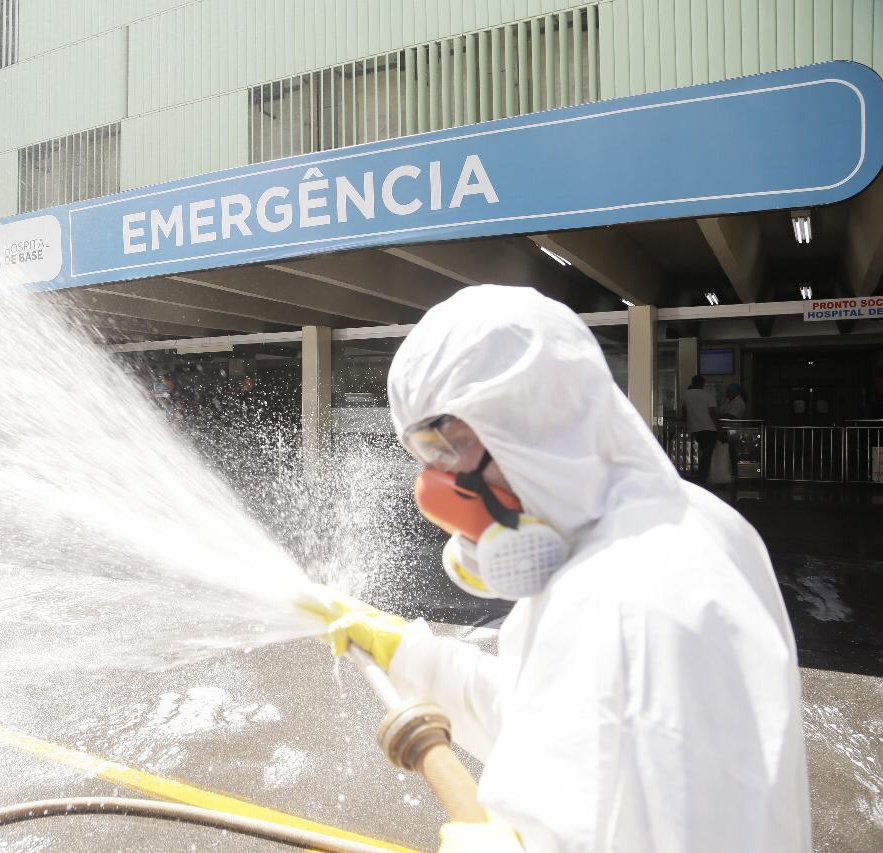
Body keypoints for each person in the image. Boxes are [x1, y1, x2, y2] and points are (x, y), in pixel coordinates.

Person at [311, 286, 810, 853]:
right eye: (425, 456)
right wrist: (417, 660)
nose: (437, 487)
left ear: (531, 422)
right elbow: (563, 728)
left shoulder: (633, 599)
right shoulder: (664, 527)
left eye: (447, 448)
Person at [682, 374, 722, 481]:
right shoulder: (708, 395)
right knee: (707, 454)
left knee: (702, 451)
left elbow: (684, 411)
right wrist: (719, 427)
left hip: (695, 428)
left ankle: (701, 474)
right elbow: (713, 413)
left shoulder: (686, 395)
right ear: (702, 383)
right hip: (709, 428)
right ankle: (703, 476)